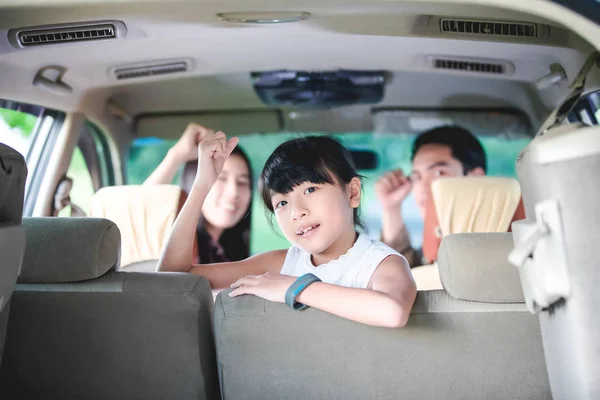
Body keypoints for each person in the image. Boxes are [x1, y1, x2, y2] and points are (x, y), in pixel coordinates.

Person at [158, 131, 416, 328]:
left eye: (310, 189)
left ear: (353, 192)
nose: (296, 212)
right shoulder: (279, 263)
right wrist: (202, 184)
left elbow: (392, 312)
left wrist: (293, 288)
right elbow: (172, 277)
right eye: (282, 202)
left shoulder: (382, 264)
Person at [376, 126, 487, 267]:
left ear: (476, 178)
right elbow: (400, 273)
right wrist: (391, 208)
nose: (423, 186)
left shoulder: (497, 243)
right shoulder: (432, 249)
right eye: (417, 177)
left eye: (439, 173)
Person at [145, 123, 252, 263]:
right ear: (194, 181)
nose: (233, 192)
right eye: (221, 178)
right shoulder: (174, 245)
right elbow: (138, 217)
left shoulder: (231, 256)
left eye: (242, 182)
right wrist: (177, 155)